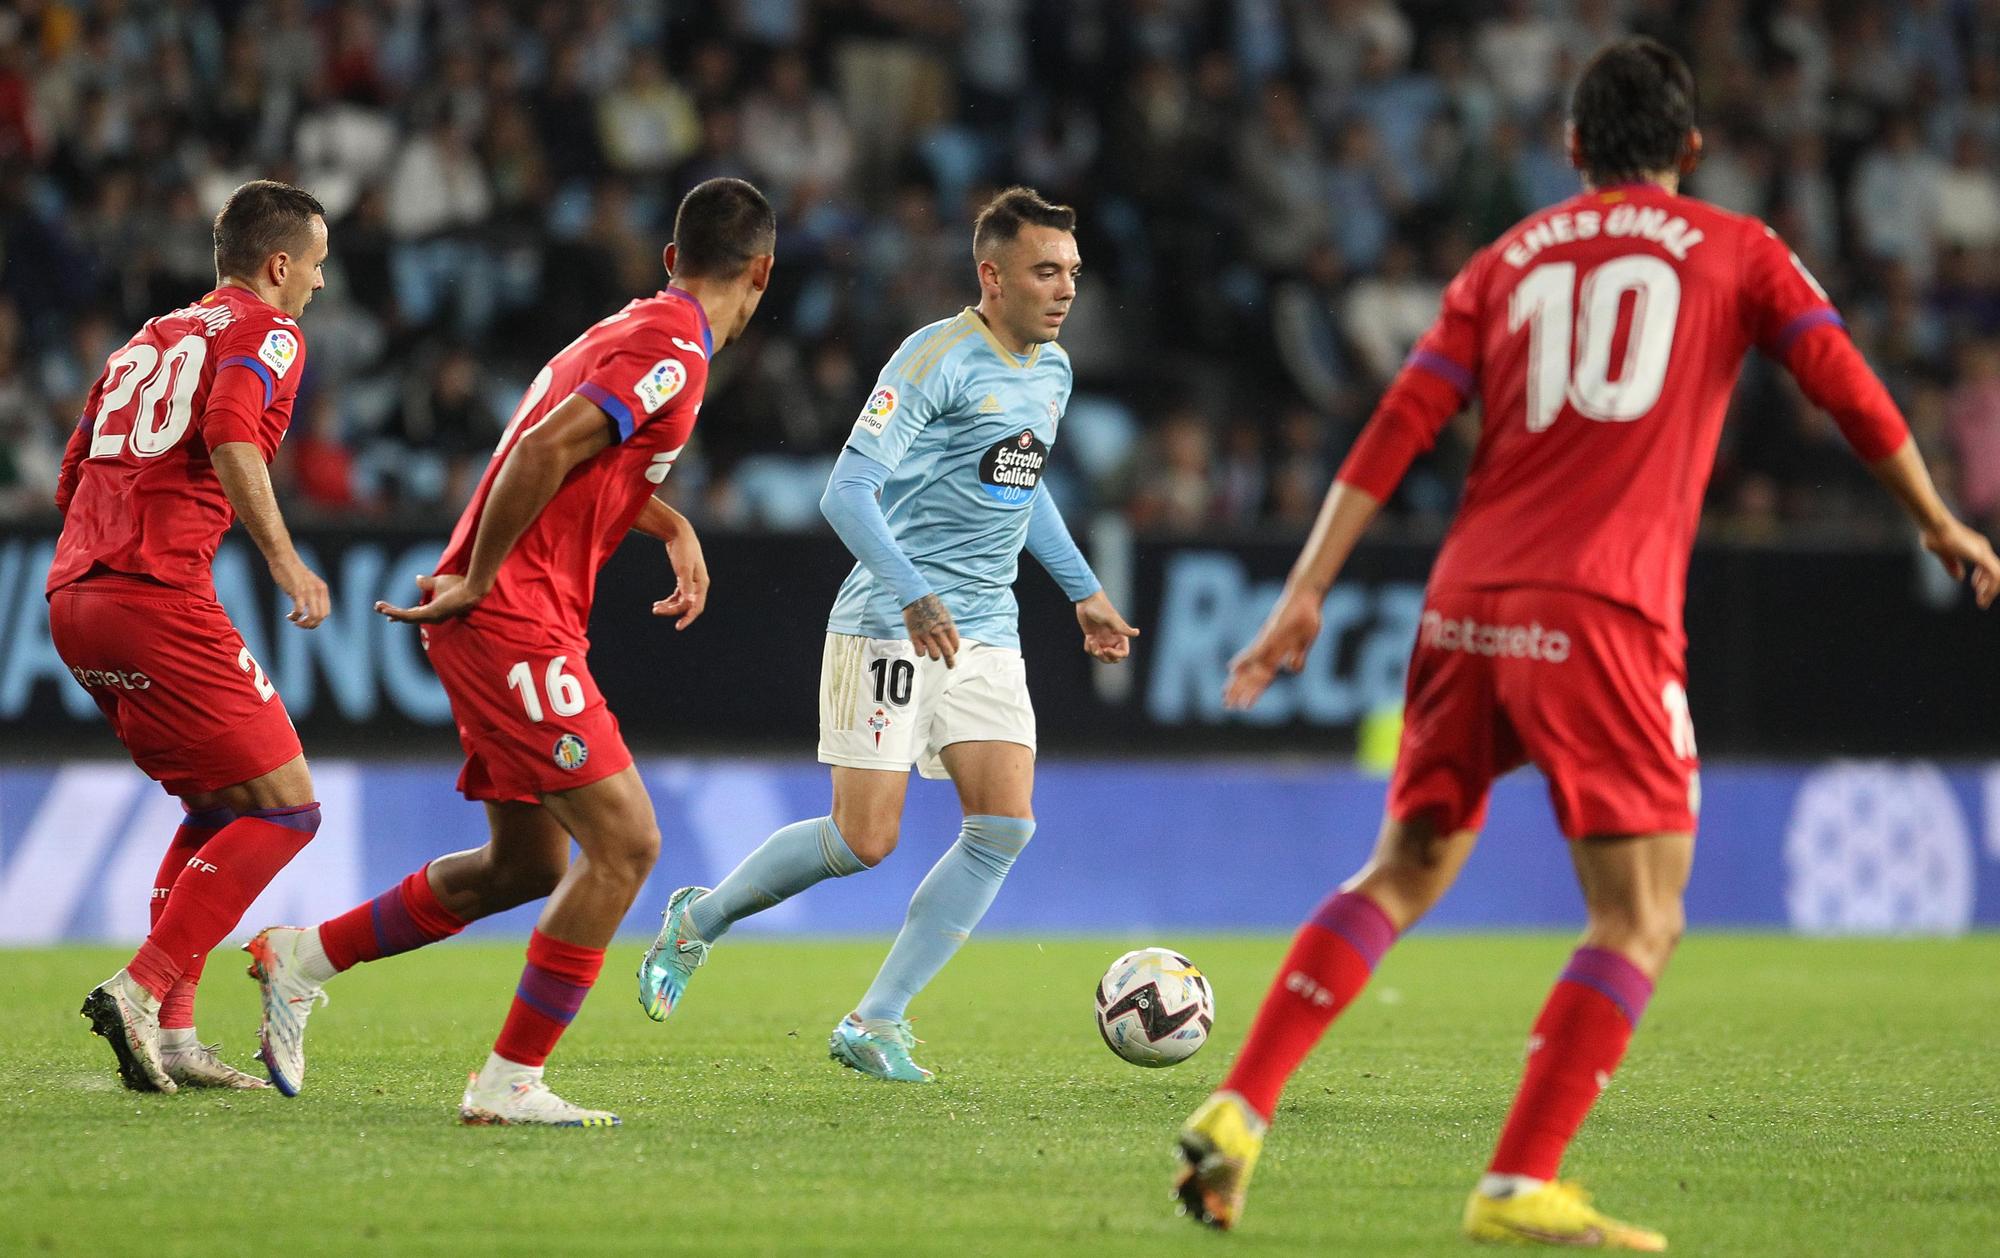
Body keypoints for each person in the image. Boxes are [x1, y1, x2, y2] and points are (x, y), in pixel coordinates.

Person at [1172, 39, 2000, 1249]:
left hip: (1463, 601)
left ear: (1569, 150)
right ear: (1691, 151)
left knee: (1398, 871)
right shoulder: (1740, 250)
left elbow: (1398, 424)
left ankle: (1239, 1104)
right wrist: (1933, 515)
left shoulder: (1502, 257)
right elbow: (1842, 384)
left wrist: (1304, 591)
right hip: (1600, 610)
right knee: (1639, 915)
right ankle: (1517, 1179)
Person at [242, 178, 776, 1127]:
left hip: (517, 617)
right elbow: (537, 453)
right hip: (510, 618)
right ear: (762, 273)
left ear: (670, 258)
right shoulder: (675, 350)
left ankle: (301, 957)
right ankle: (507, 1081)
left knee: (526, 867)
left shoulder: (624, 330)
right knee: (627, 844)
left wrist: (671, 524)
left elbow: (581, 460)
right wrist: (483, 577)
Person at [635, 186, 1139, 1081]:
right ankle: (696, 921)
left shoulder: (1051, 372)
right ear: (993, 276)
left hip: (985, 627)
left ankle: (877, 1019)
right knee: (862, 841)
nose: (1064, 290)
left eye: (1072, 273)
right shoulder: (934, 359)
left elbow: (1026, 488)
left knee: (1004, 827)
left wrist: (1084, 591)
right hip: (890, 623)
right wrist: (910, 593)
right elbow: (845, 492)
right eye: (1044, 271)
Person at [49, 180, 332, 1094]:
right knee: (289, 808)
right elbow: (230, 436)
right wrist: (287, 565)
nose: (318, 287)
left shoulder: (146, 338)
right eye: (316, 267)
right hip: (154, 592)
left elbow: (71, 477)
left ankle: (170, 1036)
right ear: (278, 264)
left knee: (217, 809)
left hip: (72, 593)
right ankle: (141, 988)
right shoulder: (270, 331)